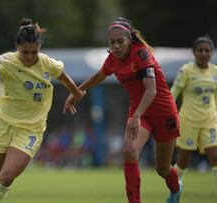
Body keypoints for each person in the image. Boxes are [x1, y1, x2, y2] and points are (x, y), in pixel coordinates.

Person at [0, 18, 86, 203]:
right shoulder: (8, 61)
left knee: (6, 177)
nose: (29, 57)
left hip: (31, 130)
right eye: (25, 52)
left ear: (39, 48)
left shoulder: (47, 63)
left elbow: (65, 79)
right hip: (4, 124)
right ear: (16, 47)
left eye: (34, 52)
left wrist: (75, 95)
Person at [63, 17, 182, 203]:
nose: (116, 46)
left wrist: (135, 116)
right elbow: (99, 76)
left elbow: (151, 90)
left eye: (120, 41)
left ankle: (176, 190)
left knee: (163, 169)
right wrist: (76, 93)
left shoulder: (142, 55)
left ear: (130, 40)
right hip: (140, 114)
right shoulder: (112, 59)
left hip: (163, 114)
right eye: (112, 42)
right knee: (129, 151)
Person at [170, 36, 217, 203]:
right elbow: (173, 93)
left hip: (209, 122)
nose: (204, 53)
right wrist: (167, 114)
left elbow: (216, 96)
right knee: (182, 162)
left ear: (212, 53)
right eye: (200, 50)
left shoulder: (216, 72)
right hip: (188, 122)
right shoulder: (186, 70)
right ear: (194, 52)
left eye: (207, 50)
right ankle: (174, 194)